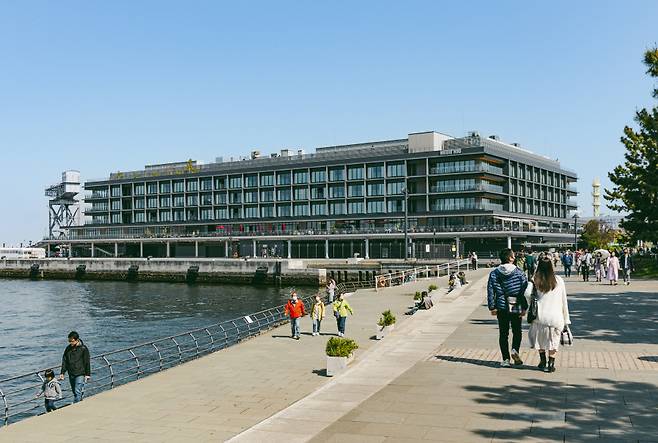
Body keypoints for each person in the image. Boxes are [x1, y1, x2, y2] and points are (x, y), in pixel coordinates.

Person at [525, 256, 571, 373]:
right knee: (553, 341)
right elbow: (563, 301)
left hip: (540, 317)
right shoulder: (558, 280)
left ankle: (542, 360)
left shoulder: (535, 280)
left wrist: (531, 302)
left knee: (540, 340)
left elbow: (526, 293)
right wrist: (566, 319)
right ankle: (551, 363)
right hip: (556, 317)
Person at [487, 248, 528, 367]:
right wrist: (524, 307)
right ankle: (515, 350)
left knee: (503, 333)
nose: (514, 257)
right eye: (513, 256)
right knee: (517, 331)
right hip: (515, 304)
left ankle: (505, 359)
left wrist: (492, 307)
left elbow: (490, 291)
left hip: (501, 305)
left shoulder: (494, 273)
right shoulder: (519, 272)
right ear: (510, 258)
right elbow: (524, 290)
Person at [59, 331, 91, 403]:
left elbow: (87, 362)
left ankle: (76, 406)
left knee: (77, 391)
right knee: (74, 391)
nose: (70, 343)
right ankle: (80, 402)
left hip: (80, 373)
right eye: (69, 341)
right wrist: (62, 372)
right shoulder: (68, 348)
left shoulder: (83, 348)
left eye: (72, 341)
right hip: (71, 373)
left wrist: (87, 374)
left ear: (77, 340)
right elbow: (65, 361)